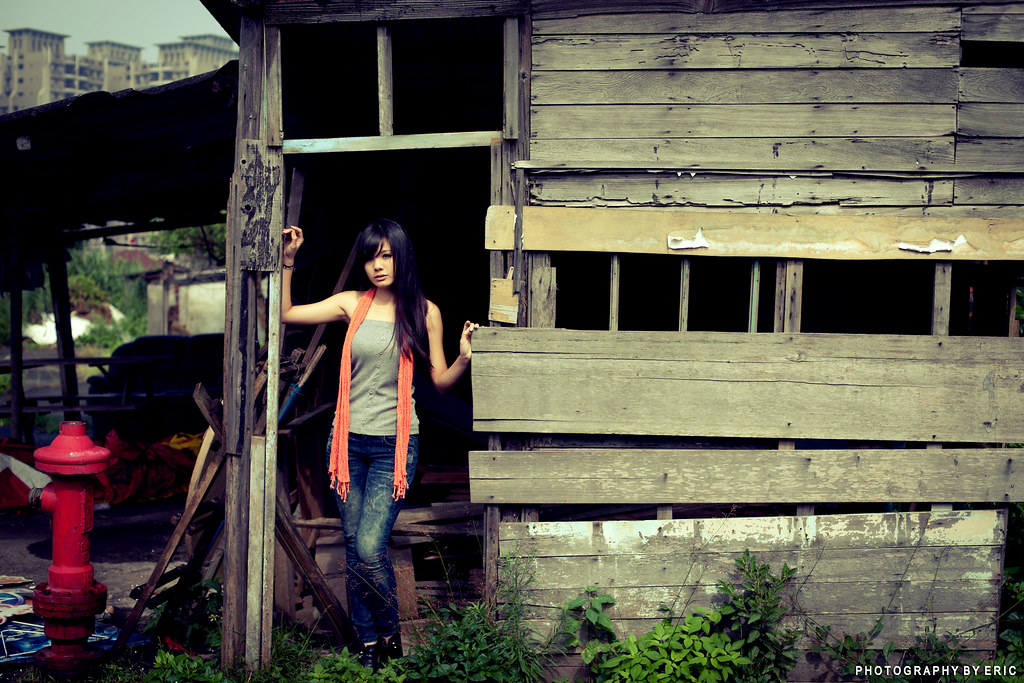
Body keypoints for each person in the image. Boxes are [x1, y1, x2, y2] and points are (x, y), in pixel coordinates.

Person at [280, 219, 478, 671]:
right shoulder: (352, 304)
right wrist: (288, 261)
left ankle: (389, 636)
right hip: (346, 444)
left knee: (370, 548)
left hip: (394, 445)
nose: (378, 265)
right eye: (371, 257)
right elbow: (286, 313)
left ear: (402, 256)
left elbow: (440, 382)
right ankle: (367, 645)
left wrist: (465, 358)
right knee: (354, 547)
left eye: (386, 255)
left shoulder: (425, 312)